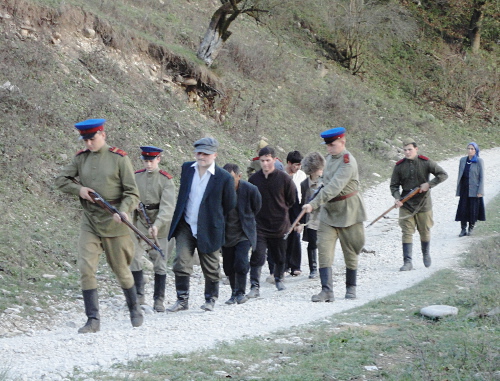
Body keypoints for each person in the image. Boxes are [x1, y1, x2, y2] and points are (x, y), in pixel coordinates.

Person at [55, 118, 143, 333]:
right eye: (85, 140)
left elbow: (132, 192)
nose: (88, 144)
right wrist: (80, 190)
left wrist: (123, 210)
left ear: (103, 135)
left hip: (115, 219)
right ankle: (93, 320)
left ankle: (134, 308)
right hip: (90, 221)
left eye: (92, 139)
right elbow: (60, 180)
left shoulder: (119, 159)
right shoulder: (81, 159)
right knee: (86, 268)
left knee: (122, 270)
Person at [166, 137, 236, 312]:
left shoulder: (224, 177)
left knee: (211, 266)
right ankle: (182, 300)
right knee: (181, 261)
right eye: (199, 152)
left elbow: (229, 204)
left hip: (209, 227)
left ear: (215, 155)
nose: (201, 156)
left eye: (205, 153)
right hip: (186, 224)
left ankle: (210, 299)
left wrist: (214, 219)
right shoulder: (186, 169)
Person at [302, 127, 367, 301]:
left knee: (351, 251)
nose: (329, 148)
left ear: (342, 142)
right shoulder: (329, 159)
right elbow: (323, 183)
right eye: (327, 145)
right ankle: (326, 290)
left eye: (332, 145)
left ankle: (351, 288)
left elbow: (334, 187)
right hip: (329, 213)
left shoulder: (348, 162)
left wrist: (314, 204)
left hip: (349, 211)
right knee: (323, 250)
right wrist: (313, 198)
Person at [390, 137, 448, 271]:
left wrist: (429, 184)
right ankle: (407, 262)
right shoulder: (399, 166)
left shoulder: (426, 162)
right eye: (405, 150)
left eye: (410, 149)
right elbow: (394, 185)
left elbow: (443, 174)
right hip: (406, 204)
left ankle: (426, 254)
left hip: (424, 203)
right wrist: (397, 198)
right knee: (406, 232)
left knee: (425, 230)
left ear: (416, 149)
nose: (407, 152)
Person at [130, 146, 175, 312]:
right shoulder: (136, 177)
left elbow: (168, 207)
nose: (148, 164)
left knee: (160, 263)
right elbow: (129, 197)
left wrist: (157, 225)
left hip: (161, 227)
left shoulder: (166, 180)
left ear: (158, 160)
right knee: (134, 257)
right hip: (140, 225)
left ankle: (159, 300)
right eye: (146, 161)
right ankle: (138, 297)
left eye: (152, 160)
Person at [247, 146, 296, 295]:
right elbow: (249, 201)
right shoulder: (254, 180)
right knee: (257, 255)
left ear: (274, 160)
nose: (265, 164)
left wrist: (281, 211)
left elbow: (292, 199)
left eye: (268, 160)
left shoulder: (284, 179)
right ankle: (254, 286)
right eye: (262, 161)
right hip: (260, 225)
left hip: (279, 224)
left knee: (279, 256)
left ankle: (278, 279)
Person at [221, 163, 262, 305]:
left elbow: (257, 207)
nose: (229, 183)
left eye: (232, 179)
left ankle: (240, 292)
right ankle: (233, 292)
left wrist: (248, 221)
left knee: (241, 261)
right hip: (226, 234)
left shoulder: (250, 190)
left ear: (239, 176)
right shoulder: (220, 191)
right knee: (228, 265)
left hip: (244, 232)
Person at [300, 151, 326, 279]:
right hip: (311, 219)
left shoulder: (325, 182)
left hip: (324, 217)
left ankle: (325, 267)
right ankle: (313, 268)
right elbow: (303, 201)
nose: (321, 171)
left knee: (324, 243)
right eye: (318, 169)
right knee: (312, 243)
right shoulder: (304, 184)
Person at [284, 151, 307, 276]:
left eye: (300, 165)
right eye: (296, 165)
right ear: (289, 163)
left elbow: (304, 194)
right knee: (283, 234)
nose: (298, 167)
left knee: (295, 235)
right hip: (283, 206)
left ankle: (295, 266)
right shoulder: (281, 174)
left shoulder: (302, 175)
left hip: (296, 206)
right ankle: (283, 265)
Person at [455, 142, 485, 237]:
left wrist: (480, 191)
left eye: (472, 149)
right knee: (463, 208)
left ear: (476, 150)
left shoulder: (479, 161)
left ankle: (471, 228)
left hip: (474, 189)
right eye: (468, 148)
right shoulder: (463, 160)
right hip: (464, 188)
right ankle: (463, 229)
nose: (470, 150)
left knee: (473, 209)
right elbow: (460, 175)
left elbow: (482, 177)